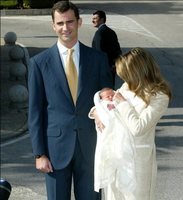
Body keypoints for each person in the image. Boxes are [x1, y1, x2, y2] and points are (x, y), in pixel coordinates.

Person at [28, 1, 113, 200]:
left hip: (91, 148)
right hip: (54, 151)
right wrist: (39, 154)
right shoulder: (39, 63)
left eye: (69, 22)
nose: (65, 28)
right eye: (60, 23)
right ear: (53, 26)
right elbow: (35, 112)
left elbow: (107, 101)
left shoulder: (98, 59)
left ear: (79, 22)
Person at [91, 47, 172, 200]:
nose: (123, 79)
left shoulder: (159, 96)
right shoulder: (127, 86)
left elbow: (138, 128)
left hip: (137, 163)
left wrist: (122, 103)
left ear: (137, 72)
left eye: (126, 75)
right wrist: (96, 112)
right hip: (116, 156)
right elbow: (108, 103)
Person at [92, 10, 122, 87]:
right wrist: (114, 64)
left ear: (102, 19)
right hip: (112, 68)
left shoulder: (99, 33)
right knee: (110, 89)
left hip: (103, 69)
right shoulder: (111, 32)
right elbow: (117, 50)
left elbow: (99, 52)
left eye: (95, 18)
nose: (92, 20)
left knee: (103, 92)